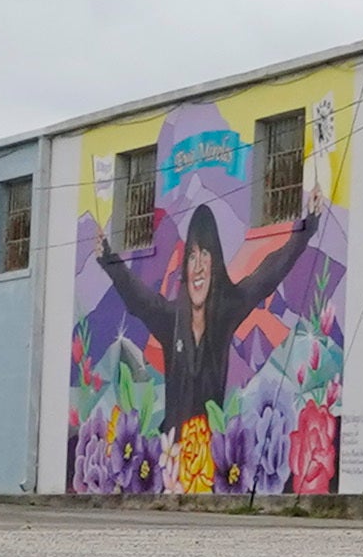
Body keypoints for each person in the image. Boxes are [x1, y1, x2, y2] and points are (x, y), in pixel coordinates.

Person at [88, 197, 313, 465]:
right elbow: (138, 298)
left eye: (205, 254)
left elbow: (267, 275)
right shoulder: (170, 318)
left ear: (215, 262)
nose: (198, 265)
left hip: (210, 457)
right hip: (170, 456)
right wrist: (109, 260)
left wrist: (307, 228)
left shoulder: (227, 310)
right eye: (192, 255)